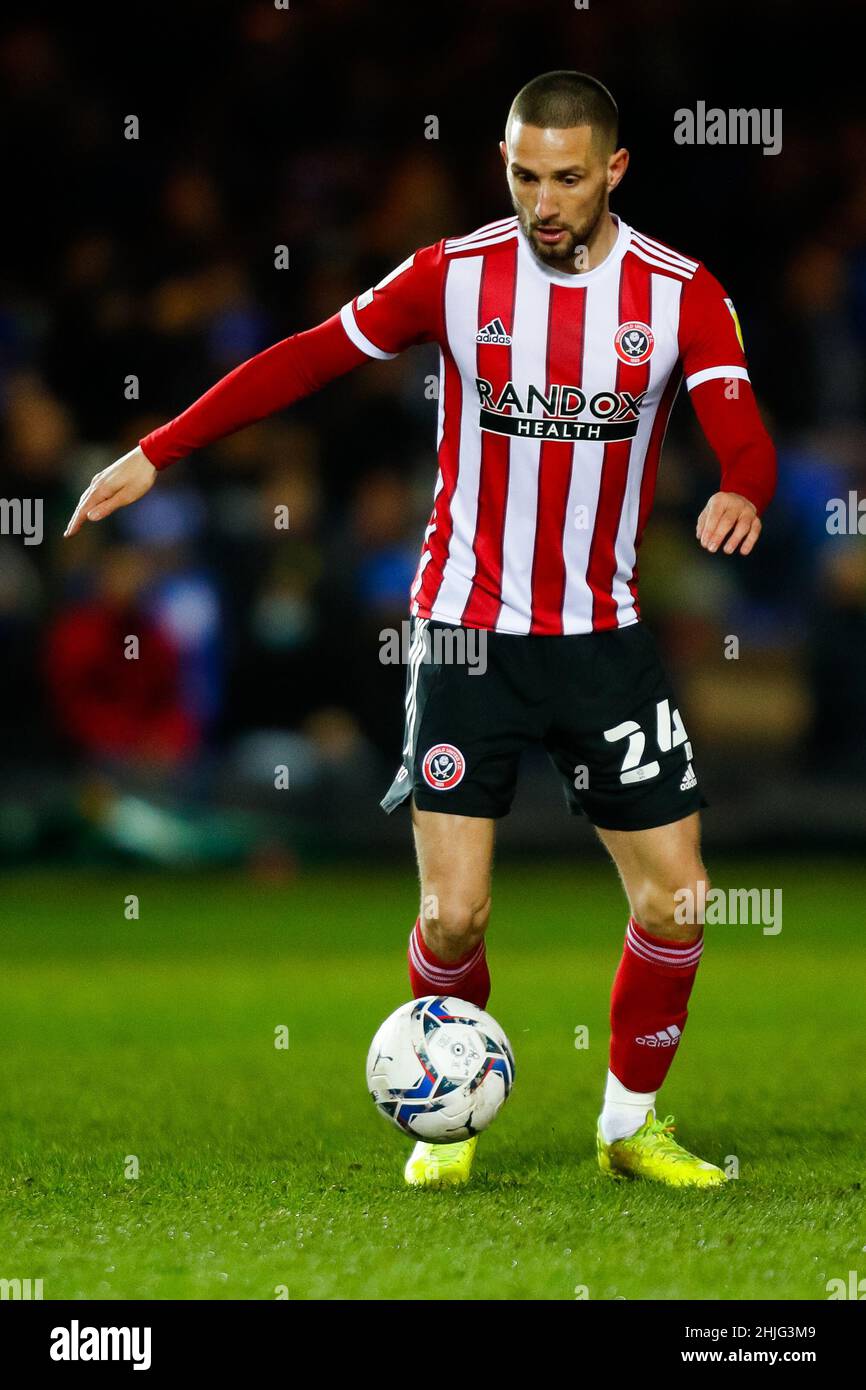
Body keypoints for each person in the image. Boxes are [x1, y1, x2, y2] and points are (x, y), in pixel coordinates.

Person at [65, 70, 776, 1190]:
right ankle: (445, 1118)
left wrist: (740, 486)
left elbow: (741, 427)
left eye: (566, 178)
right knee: (451, 916)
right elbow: (304, 356)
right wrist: (159, 447)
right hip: (463, 632)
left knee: (675, 895)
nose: (542, 201)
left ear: (613, 172)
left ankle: (628, 1125)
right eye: (522, 173)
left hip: (602, 636)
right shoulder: (453, 275)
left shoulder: (679, 292)